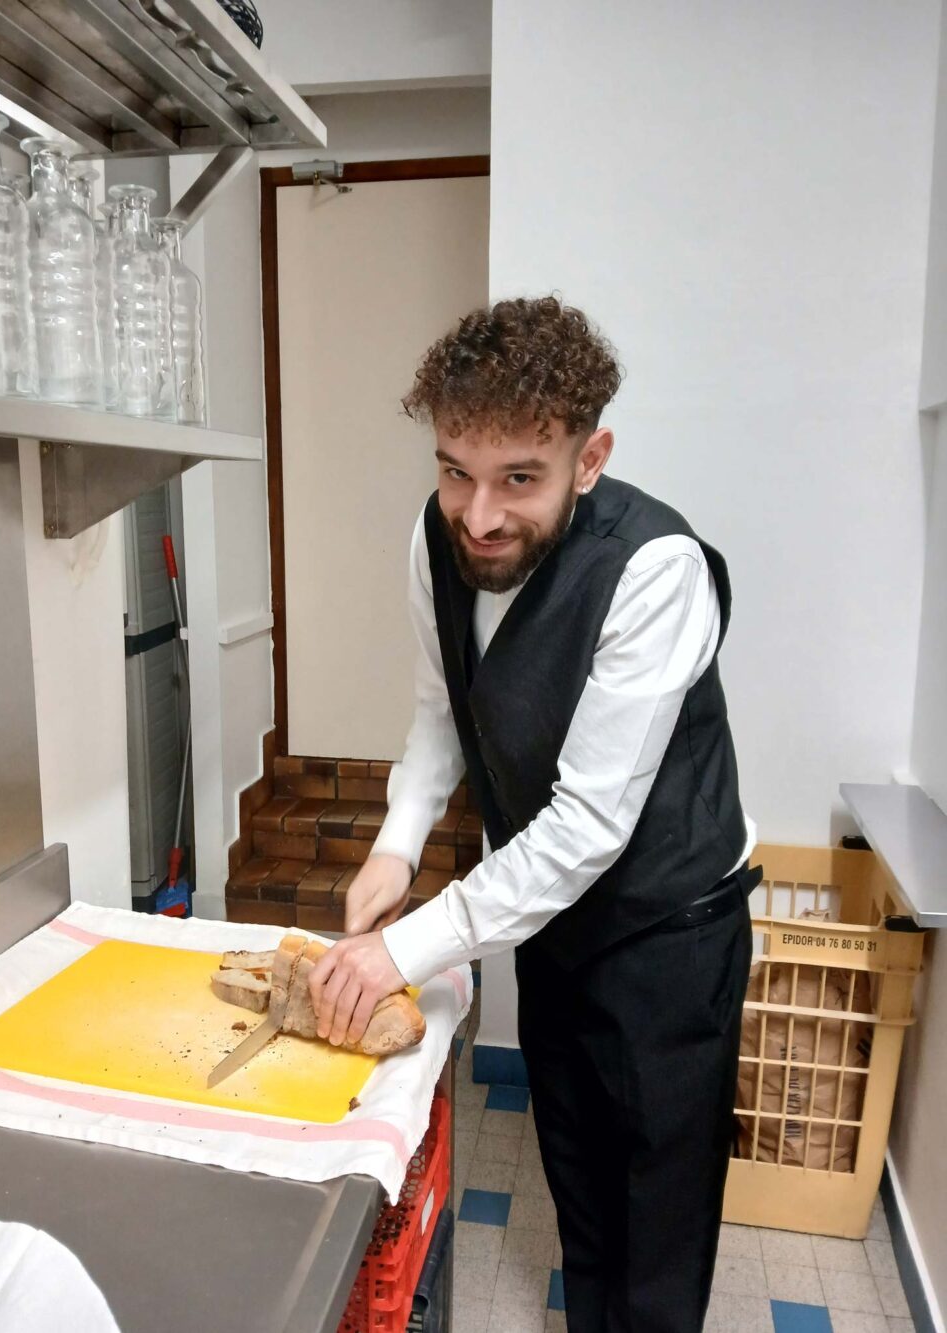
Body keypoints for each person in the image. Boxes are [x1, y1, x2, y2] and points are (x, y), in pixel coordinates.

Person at [308, 295, 759, 1333]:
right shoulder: (435, 541)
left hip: (669, 935)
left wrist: (404, 948)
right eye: (454, 471)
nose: (478, 516)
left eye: (519, 478)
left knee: (657, 1223)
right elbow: (445, 707)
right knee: (581, 1189)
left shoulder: (655, 571)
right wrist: (395, 845)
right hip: (551, 920)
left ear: (588, 458)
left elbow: (586, 827)